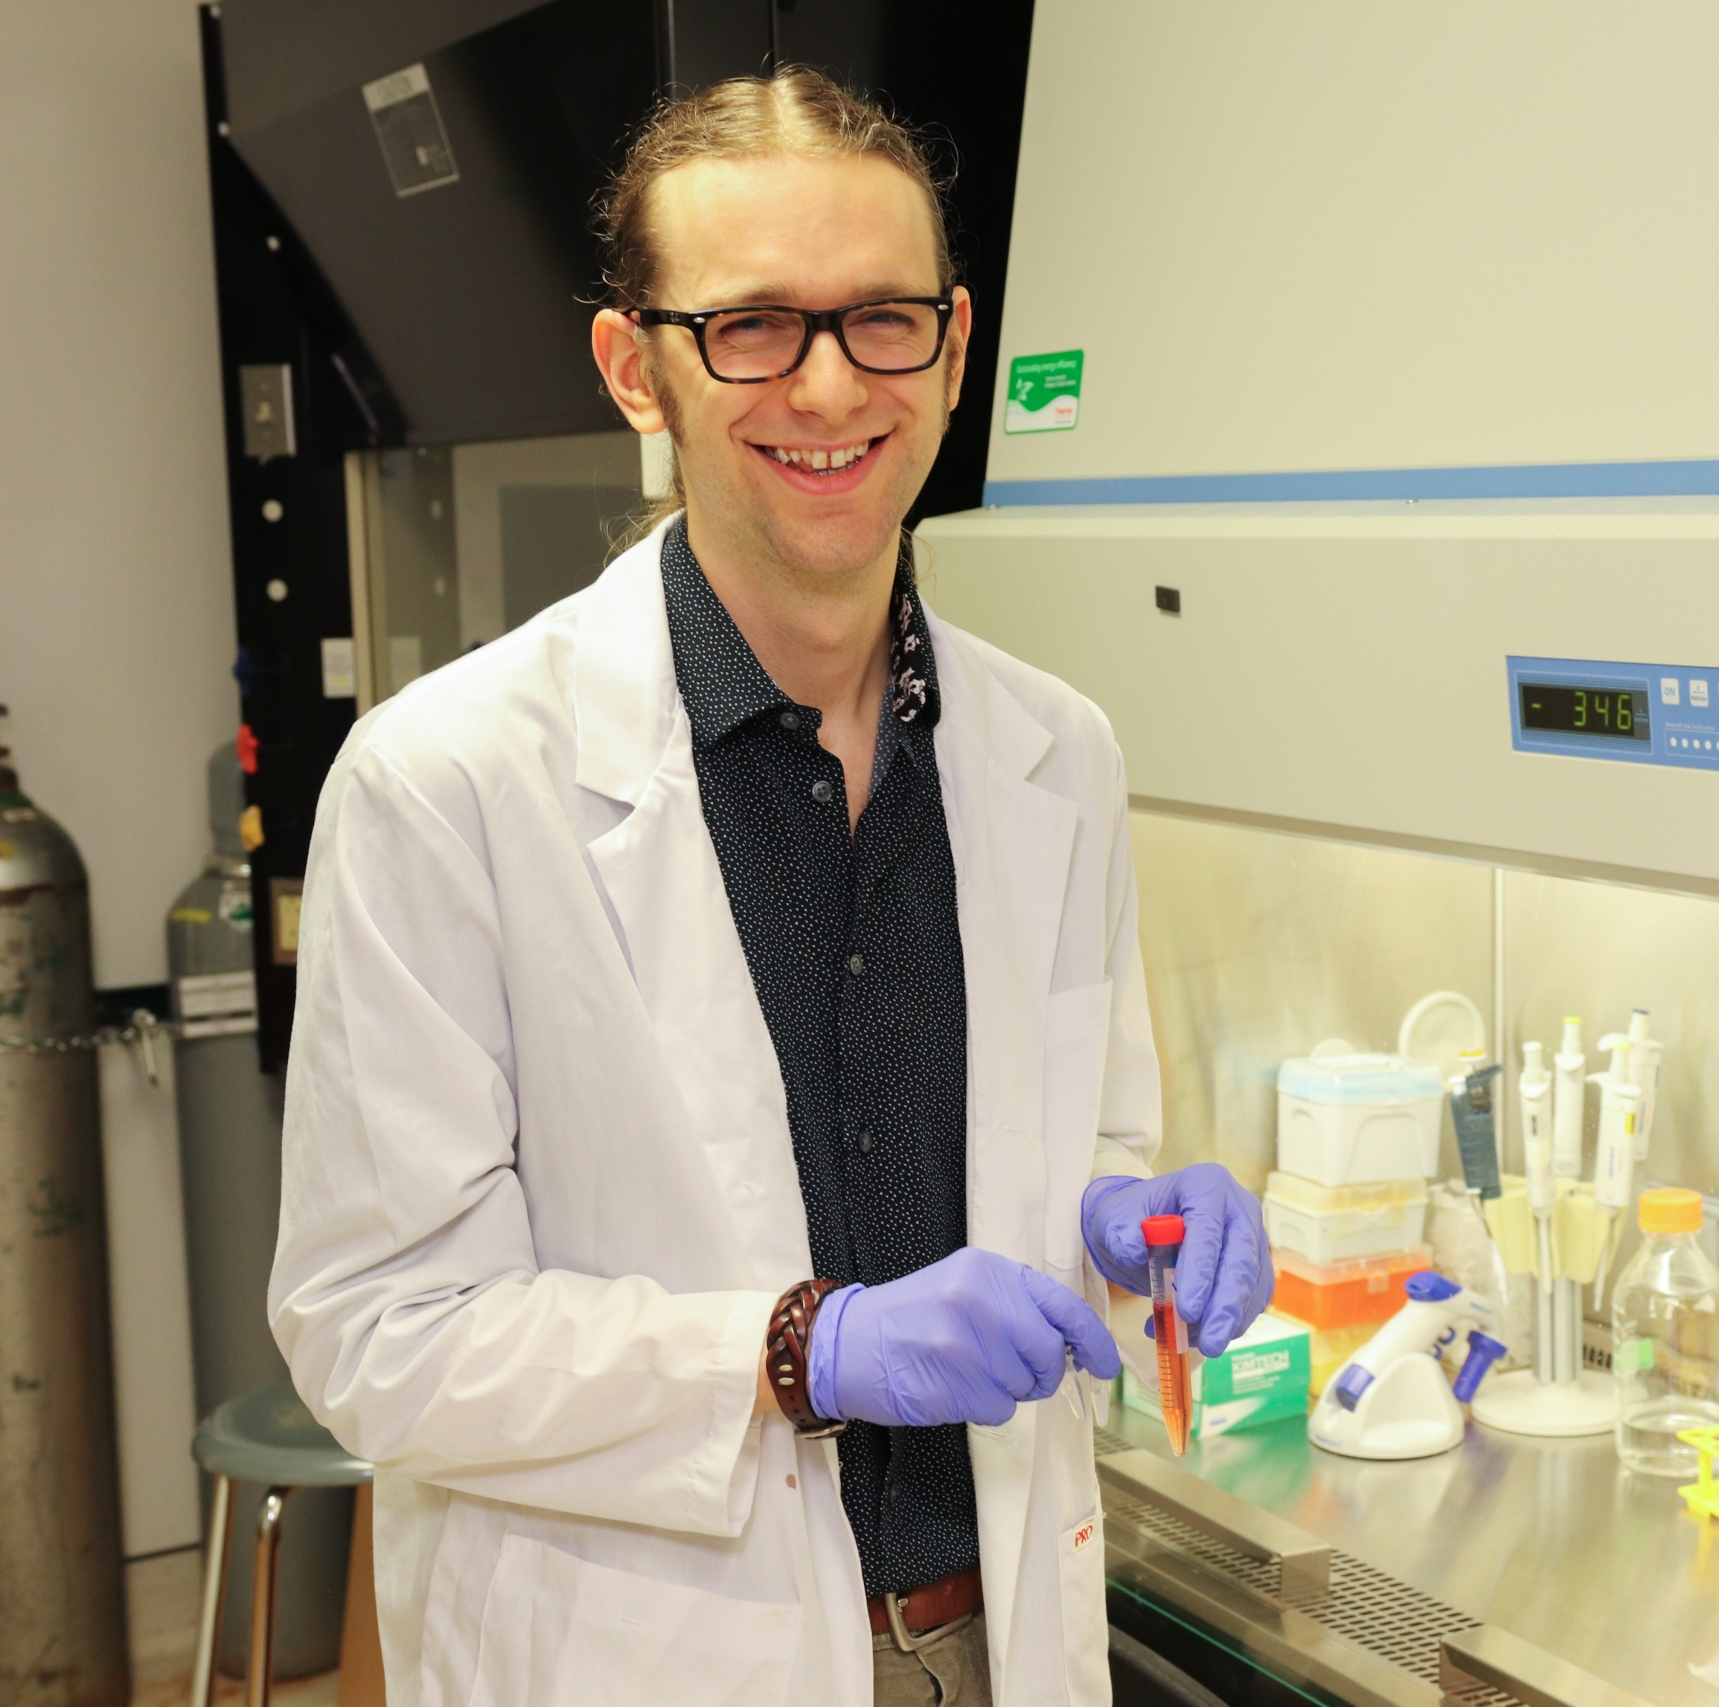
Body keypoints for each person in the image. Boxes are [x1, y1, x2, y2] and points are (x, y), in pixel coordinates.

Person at [269, 71, 1272, 1707]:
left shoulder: (1056, 757)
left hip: (993, 1635)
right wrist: (803, 1351)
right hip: (646, 1654)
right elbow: (381, 1337)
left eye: (881, 322)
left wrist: (1131, 1229)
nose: (827, 386)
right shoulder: (443, 782)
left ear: (953, 350)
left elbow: (1085, 1153)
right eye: (750, 327)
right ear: (633, 367)